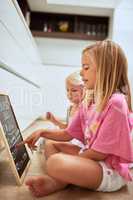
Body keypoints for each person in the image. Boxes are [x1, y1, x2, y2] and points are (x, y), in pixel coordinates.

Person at [17, 40, 133, 197]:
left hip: (108, 169)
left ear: (104, 70)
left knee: (55, 162)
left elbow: (100, 154)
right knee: (51, 144)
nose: (81, 72)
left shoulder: (117, 103)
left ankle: (59, 180)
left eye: (86, 67)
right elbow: (68, 134)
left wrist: (73, 157)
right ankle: (61, 179)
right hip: (91, 156)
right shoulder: (88, 101)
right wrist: (42, 132)